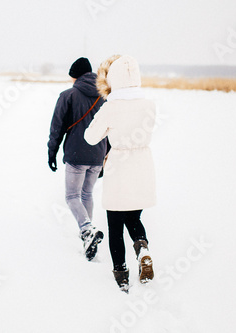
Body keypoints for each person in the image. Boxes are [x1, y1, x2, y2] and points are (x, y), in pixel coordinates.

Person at [84, 55, 156, 292]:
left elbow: (90, 137)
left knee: (115, 223)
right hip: (143, 166)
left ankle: (121, 274)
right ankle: (142, 248)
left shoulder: (111, 107)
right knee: (134, 218)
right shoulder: (149, 104)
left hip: (119, 166)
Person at [47, 57, 107, 261]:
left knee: (72, 196)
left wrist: (51, 152)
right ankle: (88, 235)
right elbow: (109, 129)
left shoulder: (68, 95)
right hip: (98, 153)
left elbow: (57, 127)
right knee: (86, 194)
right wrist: (106, 156)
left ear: (76, 76)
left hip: (76, 154)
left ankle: (87, 230)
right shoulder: (104, 95)